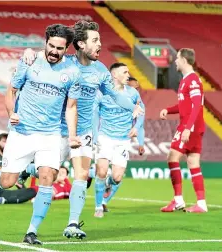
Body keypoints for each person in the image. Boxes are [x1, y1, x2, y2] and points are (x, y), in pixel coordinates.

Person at [22, 20, 143, 239]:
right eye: (95, 40)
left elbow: (114, 95)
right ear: (80, 44)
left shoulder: (100, 70)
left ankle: (73, 224)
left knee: (82, 174)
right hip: (58, 131)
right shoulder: (64, 63)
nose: (99, 45)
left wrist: (133, 107)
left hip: (84, 131)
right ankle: (32, 222)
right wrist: (30, 52)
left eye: (100, 40)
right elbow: (42, 57)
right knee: (47, 174)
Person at [0, 24, 82, 245]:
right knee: (7, 182)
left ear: (67, 49)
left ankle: (32, 231)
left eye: (60, 48)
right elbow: (11, 90)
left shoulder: (72, 72)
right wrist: (11, 112)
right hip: (22, 132)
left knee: (47, 177)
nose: (54, 51)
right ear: (45, 43)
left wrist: (72, 135)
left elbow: (71, 107)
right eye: (51, 46)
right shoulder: (29, 61)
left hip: (51, 134)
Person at [93, 62, 145, 218]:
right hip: (105, 137)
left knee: (117, 177)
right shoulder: (101, 93)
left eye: (128, 72)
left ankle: (109, 182)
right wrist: (95, 136)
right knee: (101, 171)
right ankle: (98, 206)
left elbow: (141, 111)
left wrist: (137, 127)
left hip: (123, 140)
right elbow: (94, 114)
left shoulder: (133, 93)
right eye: (125, 72)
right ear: (114, 75)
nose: (128, 75)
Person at [159, 48, 207, 213]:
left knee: (172, 157)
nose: (175, 61)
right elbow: (184, 105)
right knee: (193, 162)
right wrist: (169, 109)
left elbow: (196, 107)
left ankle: (178, 200)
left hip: (190, 126)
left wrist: (187, 129)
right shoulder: (186, 80)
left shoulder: (192, 80)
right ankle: (201, 203)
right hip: (194, 126)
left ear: (185, 60)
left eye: (177, 58)